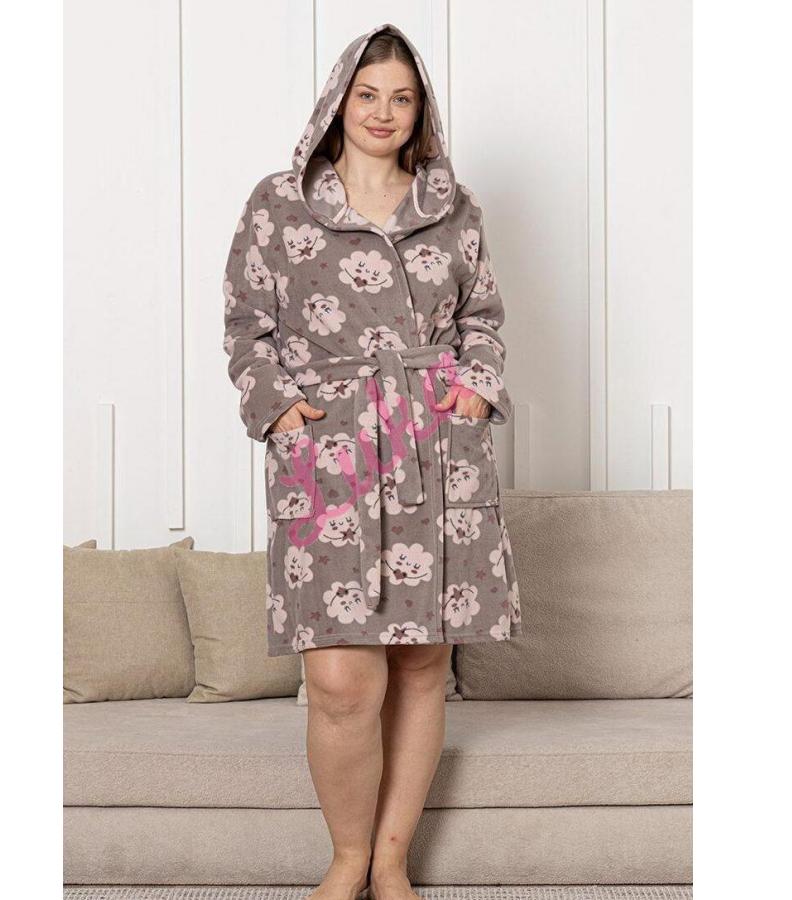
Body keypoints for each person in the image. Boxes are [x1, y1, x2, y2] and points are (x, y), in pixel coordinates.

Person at [222, 21, 522, 900]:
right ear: (337, 100)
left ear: (421, 110)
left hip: (435, 447)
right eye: (368, 95)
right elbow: (246, 326)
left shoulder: (453, 208)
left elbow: (482, 319)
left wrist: (474, 388)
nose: (383, 113)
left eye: (402, 98)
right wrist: (280, 409)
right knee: (340, 678)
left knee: (422, 666)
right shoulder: (281, 203)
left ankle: (390, 863)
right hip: (329, 450)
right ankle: (346, 857)